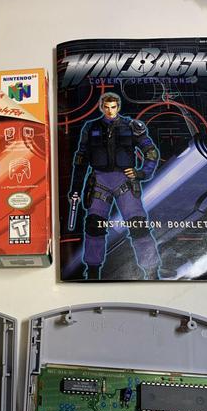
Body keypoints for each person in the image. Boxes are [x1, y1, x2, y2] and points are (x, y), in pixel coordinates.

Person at [69, 92, 161, 279]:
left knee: (138, 225)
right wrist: (76, 189)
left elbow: (151, 152)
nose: (110, 111)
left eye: (113, 107)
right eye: (106, 107)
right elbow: (81, 159)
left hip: (125, 180)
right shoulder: (91, 127)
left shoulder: (132, 126)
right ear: (101, 107)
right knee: (94, 225)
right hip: (99, 181)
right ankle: (93, 272)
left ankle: (152, 271)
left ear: (118, 107)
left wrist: (141, 173)